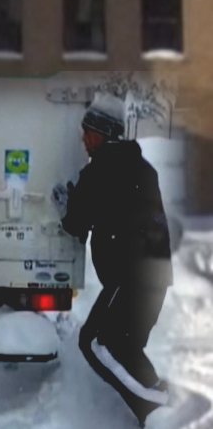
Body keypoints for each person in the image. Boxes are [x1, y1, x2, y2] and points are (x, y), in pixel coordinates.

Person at [55, 93, 176, 425]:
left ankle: (158, 409)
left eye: (86, 133)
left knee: (96, 342)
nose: (83, 140)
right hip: (154, 277)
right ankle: (160, 407)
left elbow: (76, 223)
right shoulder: (140, 166)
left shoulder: (102, 168)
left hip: (130, 278)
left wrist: (65, 205)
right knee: (125, 348)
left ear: (100, 134)